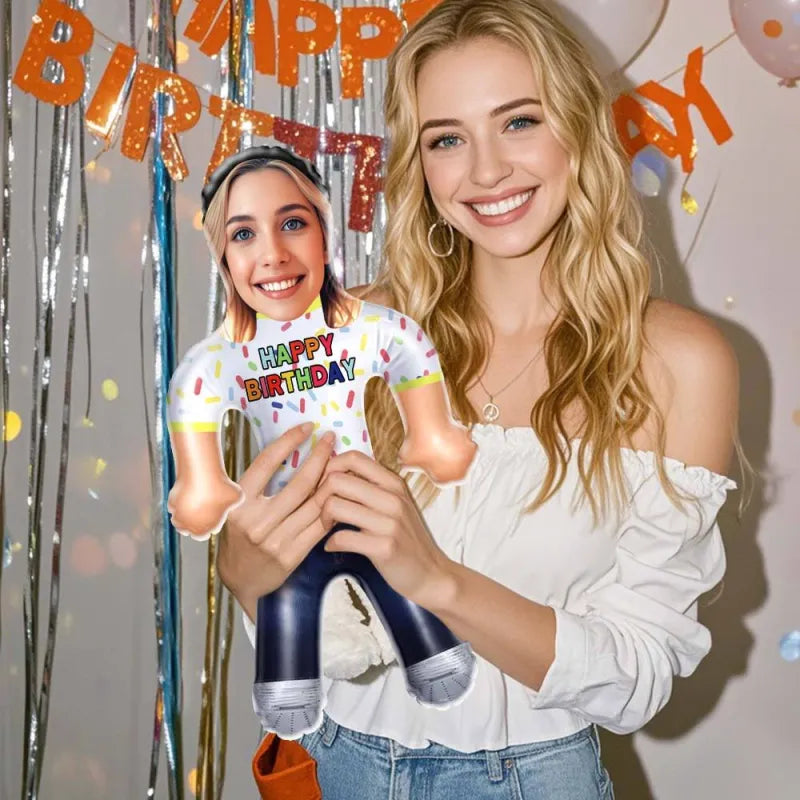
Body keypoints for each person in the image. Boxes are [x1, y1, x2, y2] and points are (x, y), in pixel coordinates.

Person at [217, 0, 741, 797]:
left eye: (519, 121)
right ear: (420, 164)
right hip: (335, 763)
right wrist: (250, 577)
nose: (487, 171)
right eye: (448, 139)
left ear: (579, 129)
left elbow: (639, 677)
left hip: (532, 778)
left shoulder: (678, 362)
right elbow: (324, 627)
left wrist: (436, 580)